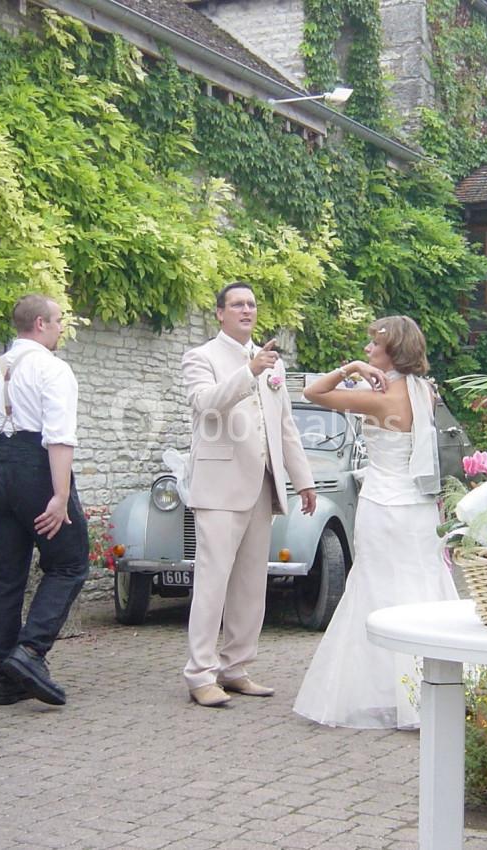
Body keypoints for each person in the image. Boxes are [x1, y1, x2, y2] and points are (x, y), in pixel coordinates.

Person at [293, 315, 459, 729]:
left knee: (378, 594)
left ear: (393, 351)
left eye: (373, 346)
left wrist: (350, 369)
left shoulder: (378, 398)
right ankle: (427, 692)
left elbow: (312, 392)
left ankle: (392, 693)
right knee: (422, 590)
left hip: (384, 507)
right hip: (419, 509)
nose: (367, 350)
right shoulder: (425, 390)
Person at [181, 281, 316, 708]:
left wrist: (304, 479)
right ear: (219, 313)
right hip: (219, 487)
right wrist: (250, 372)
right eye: (237, 304)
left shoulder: (271, 363)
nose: (246, 310)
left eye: (252, 304)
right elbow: (206, 404)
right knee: (212, 582)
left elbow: (285, 427)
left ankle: (235, 667)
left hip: (262, 484)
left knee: (251, 583)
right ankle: (199, 674)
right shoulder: (201, 357)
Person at [0, 294, 87, 707]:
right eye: (58, 321)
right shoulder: (52, 369)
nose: (61, 328)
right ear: (40, 324)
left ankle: (6, 679)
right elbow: (59, 435)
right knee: (70, 562)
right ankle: (31, 652)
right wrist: (59, 495)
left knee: (7, 574)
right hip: (35, 466)